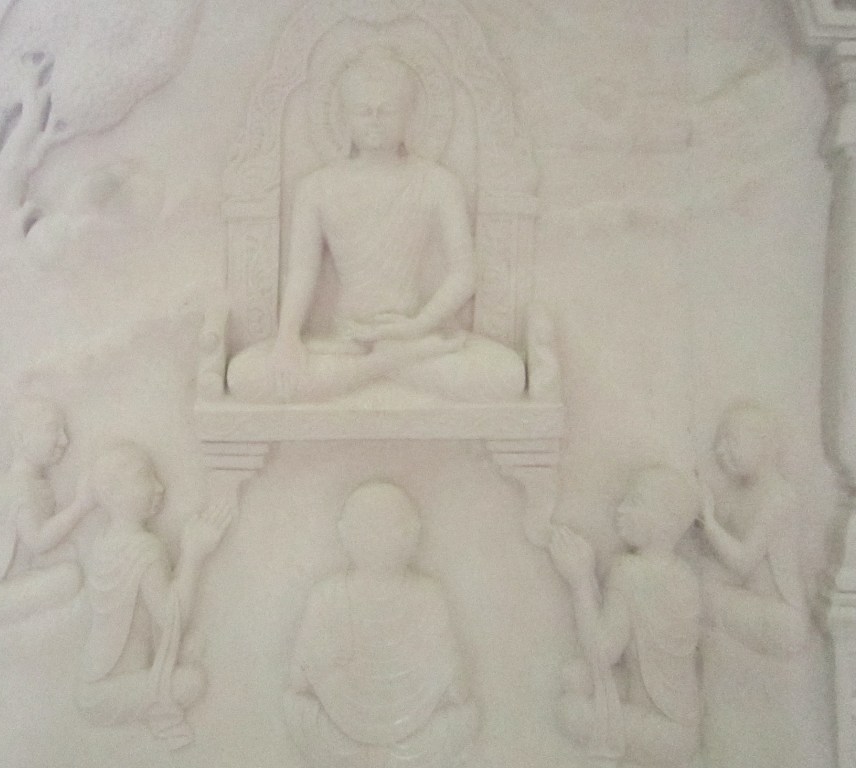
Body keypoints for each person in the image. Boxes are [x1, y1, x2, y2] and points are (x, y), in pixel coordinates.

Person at [227, 47, 525, 403]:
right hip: (347, 340)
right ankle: (388, 363)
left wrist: (417, 326)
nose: (374, 120)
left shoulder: (438, 183)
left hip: (415, 332)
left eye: (387, 110)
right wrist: (288, 337)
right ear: (345, 117)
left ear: (409, 116)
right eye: (363, 111)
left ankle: (382, 362)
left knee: (508, 373)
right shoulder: (317, 188)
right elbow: (303, 273)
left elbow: (464, 274)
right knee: (243, 374)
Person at [284, 482, 478, 768]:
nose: (380, 540)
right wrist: (328, 663)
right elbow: (299, 681)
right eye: (369, 529)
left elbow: (457, 689)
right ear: (346, 534)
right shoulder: (328, 595)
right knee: (296, 708)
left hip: (416, 737)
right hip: (339, 734)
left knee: (464, 718)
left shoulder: (427, 595)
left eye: (392, 527)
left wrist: (431, 675)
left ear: (412, 533)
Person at [76, 443, 230, 746]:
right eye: (145, 477)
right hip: (108, 693)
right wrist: (193, 555)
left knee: (193, 647)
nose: (159, 487)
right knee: (194, 680)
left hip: (91, 686)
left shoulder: (102, 542)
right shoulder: (144, 549)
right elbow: (171, 619)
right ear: (113, 493)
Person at [548, 467, 701, 767]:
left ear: (665, 522)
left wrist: (580, 579)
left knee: (569, 710)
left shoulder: (629, 572)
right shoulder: (685, 575)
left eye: (635, 502)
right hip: (681, 722)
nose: (621, 509)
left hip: (662, 734)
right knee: (573, 676)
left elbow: (602, 653)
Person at [700, 403, 808, 656]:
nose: (721, 451)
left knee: (700, 596)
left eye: (732, 441)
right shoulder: (740, 491)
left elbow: (742, 563)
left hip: (781, 617)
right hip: (749, 601)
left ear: (762, 443)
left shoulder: (779, 497)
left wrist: (709, 522)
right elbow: (720, 559)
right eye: (719, 443)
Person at [0, 398, 93, 621]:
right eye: (52, 429)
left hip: (23, 578)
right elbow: (37, 541)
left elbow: (35, 555)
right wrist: (81, 505)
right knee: (70, 577)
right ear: (21, 437)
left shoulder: (34, 484)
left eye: (64, 431)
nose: (64, 440)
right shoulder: (19, 489)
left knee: (73, 563)